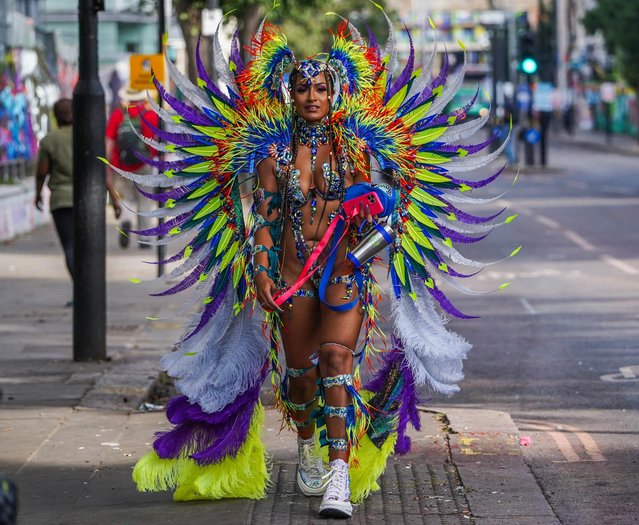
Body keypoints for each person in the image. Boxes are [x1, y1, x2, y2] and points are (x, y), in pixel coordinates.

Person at [129, 11, 513, 520]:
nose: (312, 96)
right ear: (290, 93)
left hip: (345, 274)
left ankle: (337, 476)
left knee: (337, 363)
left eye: (321, 88)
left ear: (335, 94)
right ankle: (309, 441)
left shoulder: (357, 150)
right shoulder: (270, 154)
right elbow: (263, 218)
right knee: (301, 381)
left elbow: (388, 215)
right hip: (290, 279)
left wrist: (364, 250)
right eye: (303, 88)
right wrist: (262, 271)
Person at [35, 99, 121, 292]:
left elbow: (42, 172)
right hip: (89, 201)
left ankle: (81, 290)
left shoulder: (50, 140)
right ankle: (88, 291)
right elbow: (104, 172)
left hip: (61, 201)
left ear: (56, 117)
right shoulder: (90, 137)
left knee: (70, 246)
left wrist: (37, 193)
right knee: (88, 247)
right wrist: (115, 199)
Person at [105, 86, 158, 248]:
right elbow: (156, 141)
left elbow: (109, 141)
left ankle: (127, 220)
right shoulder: (150, 115)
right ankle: (145, 239)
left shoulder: (118, 115)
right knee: (144, 200)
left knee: (126, 197)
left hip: (121, 165)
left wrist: (108, 162)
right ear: (142, 98)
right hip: (144, 164)